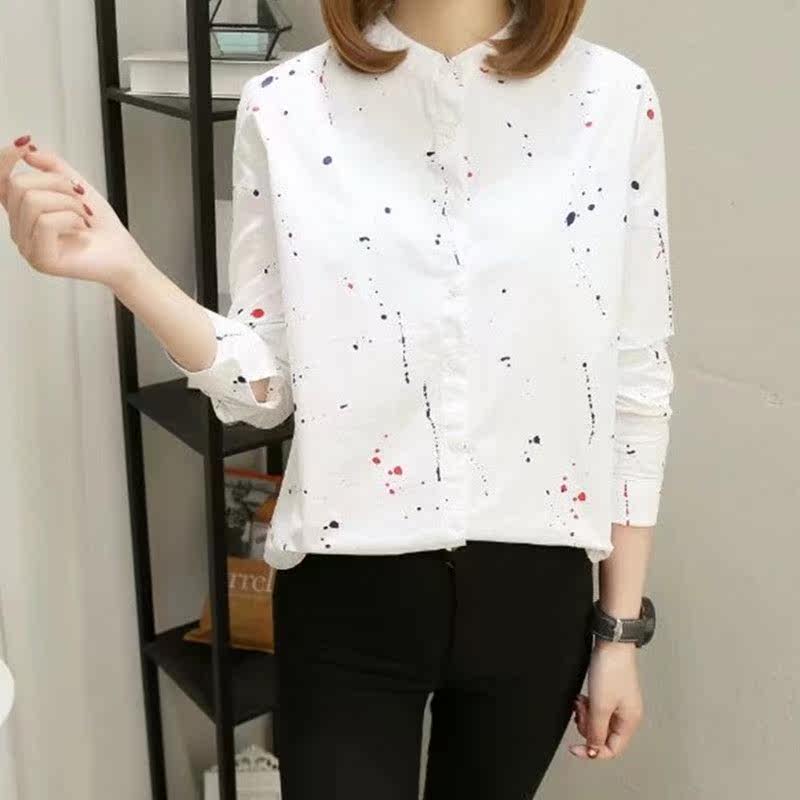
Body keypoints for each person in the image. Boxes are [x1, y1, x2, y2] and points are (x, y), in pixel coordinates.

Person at [0, 0, 676, 797]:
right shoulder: (286, 106)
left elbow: (636, 381)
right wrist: (127, 271)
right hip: (346, 605)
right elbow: (262, 388)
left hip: (537, 602)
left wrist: (618, 633)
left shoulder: (612, 99)